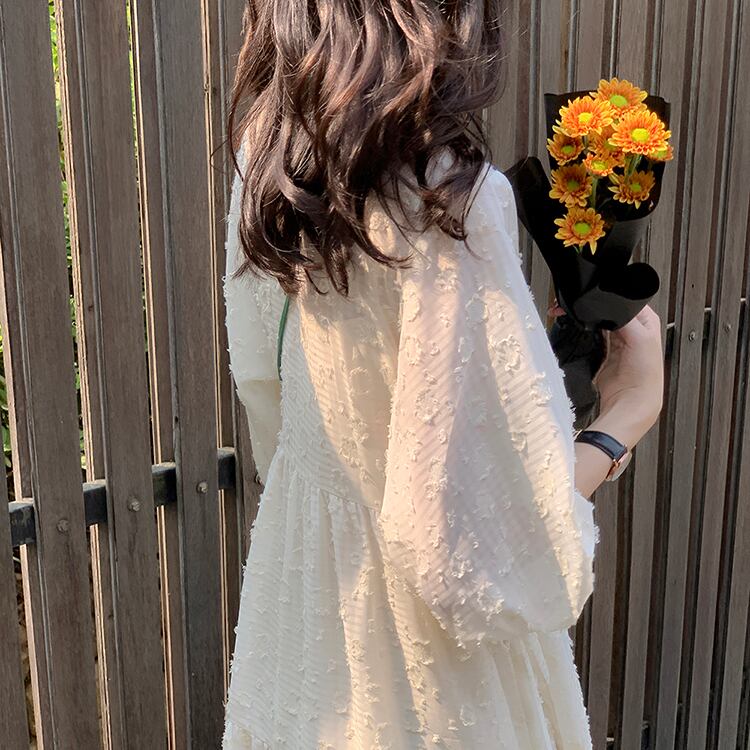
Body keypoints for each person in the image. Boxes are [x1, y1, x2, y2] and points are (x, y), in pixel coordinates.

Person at [220, 2, 665, 747]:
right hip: (422, 673)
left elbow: (266, 390)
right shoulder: (446, 199)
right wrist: (625, 416)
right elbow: (483, 553)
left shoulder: (270, 162)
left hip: (302, 600)